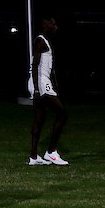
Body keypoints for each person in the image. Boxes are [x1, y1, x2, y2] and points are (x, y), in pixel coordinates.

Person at [27, 16, 69, 166]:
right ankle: (51, 152)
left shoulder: (44, 40)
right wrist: (38, 88)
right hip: (41, 83)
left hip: (41, 82)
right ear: (45, 26)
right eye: (53, 24)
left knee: (39, 119)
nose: (55, 26)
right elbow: (35, 64)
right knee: (62, 114)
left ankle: (33, 157)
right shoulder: (40, 41)